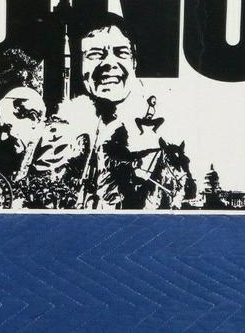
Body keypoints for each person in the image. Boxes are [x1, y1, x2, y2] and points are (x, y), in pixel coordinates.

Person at [62, 13, 197, 209]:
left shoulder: (162, 129)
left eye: (121, 53)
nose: (109, 63)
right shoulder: (64, 128)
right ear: (80, 64)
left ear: (134, 62)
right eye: (95, 54)